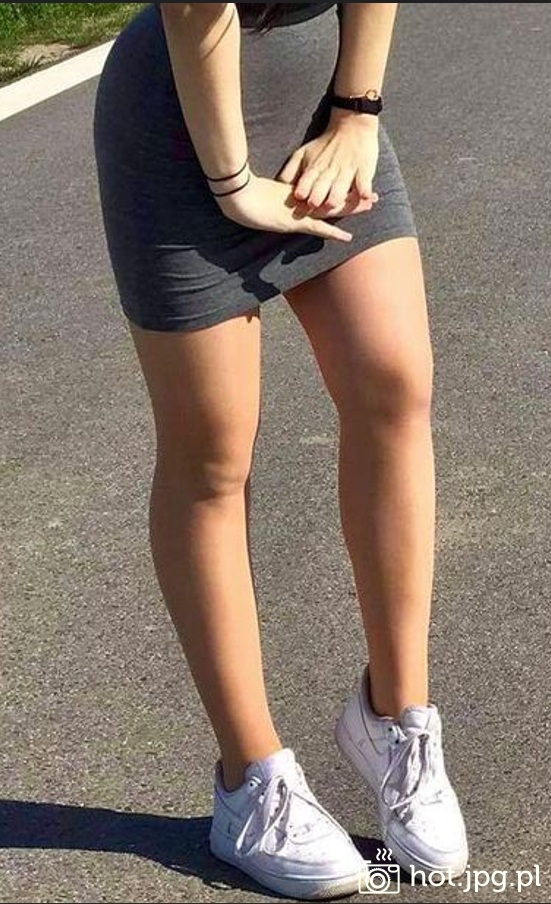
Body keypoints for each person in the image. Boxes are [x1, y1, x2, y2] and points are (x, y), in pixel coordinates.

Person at [93, 2, 469, 899]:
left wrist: (355, 111)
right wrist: (233, 186)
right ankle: (248, 779)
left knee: (392, 384)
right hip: (182, 130)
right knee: (212, 454)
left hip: (318, 107)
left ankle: (394, 716)